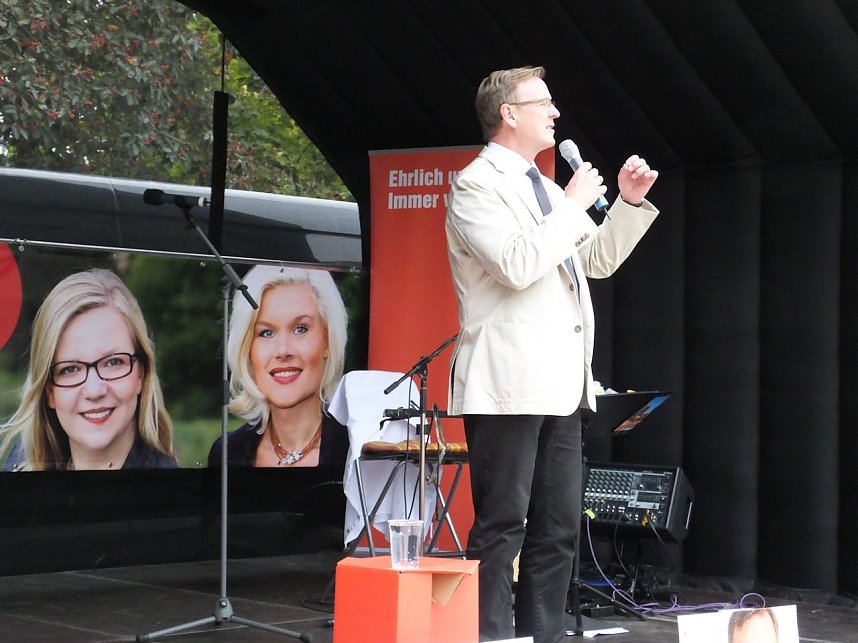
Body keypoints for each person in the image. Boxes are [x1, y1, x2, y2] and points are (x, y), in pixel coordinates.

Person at [445, 66, 660, 642]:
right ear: (509, 114)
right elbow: (515, 264)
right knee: (502, 526)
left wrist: (628, 206)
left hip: (564, 385)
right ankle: (489, 637)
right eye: (543, 102)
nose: (555, 112)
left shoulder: (545, 188)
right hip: (508, 382)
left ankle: (542, 636)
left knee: (559, 529)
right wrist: (571, 204)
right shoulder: (476, 185)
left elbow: (594, 261)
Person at [1, 269, 176, 471]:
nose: (94, 391)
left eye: (113, 362)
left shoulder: (171, 494)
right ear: (49, 391)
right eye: (70, 369)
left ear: (141, 374)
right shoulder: (22, 466)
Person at [207, 265, 349, 468]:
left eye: (300, 329)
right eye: (266, 333)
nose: (283, 351)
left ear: (327, 341)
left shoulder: (355, 449)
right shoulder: (226, 453)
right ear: (247, 348)